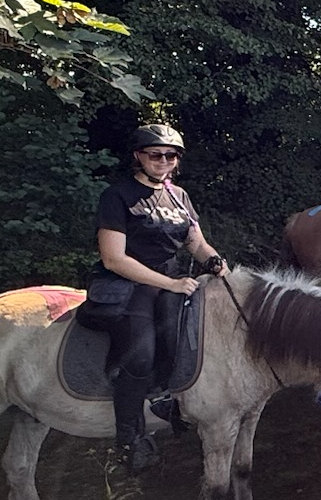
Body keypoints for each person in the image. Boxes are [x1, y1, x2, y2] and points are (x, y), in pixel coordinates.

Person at [92, 124, 226, 473]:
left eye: (171, 156)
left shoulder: (179, 196)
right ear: (138, 156)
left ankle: (175, 403)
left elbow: (196, 242)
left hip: (173, 281)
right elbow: (113, 258)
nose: (164, 161)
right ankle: (129, 439)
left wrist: (215, 262)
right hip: (129, 284)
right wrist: (170, 284)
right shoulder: (118, 196)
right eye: (156, 155)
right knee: (141, 356)